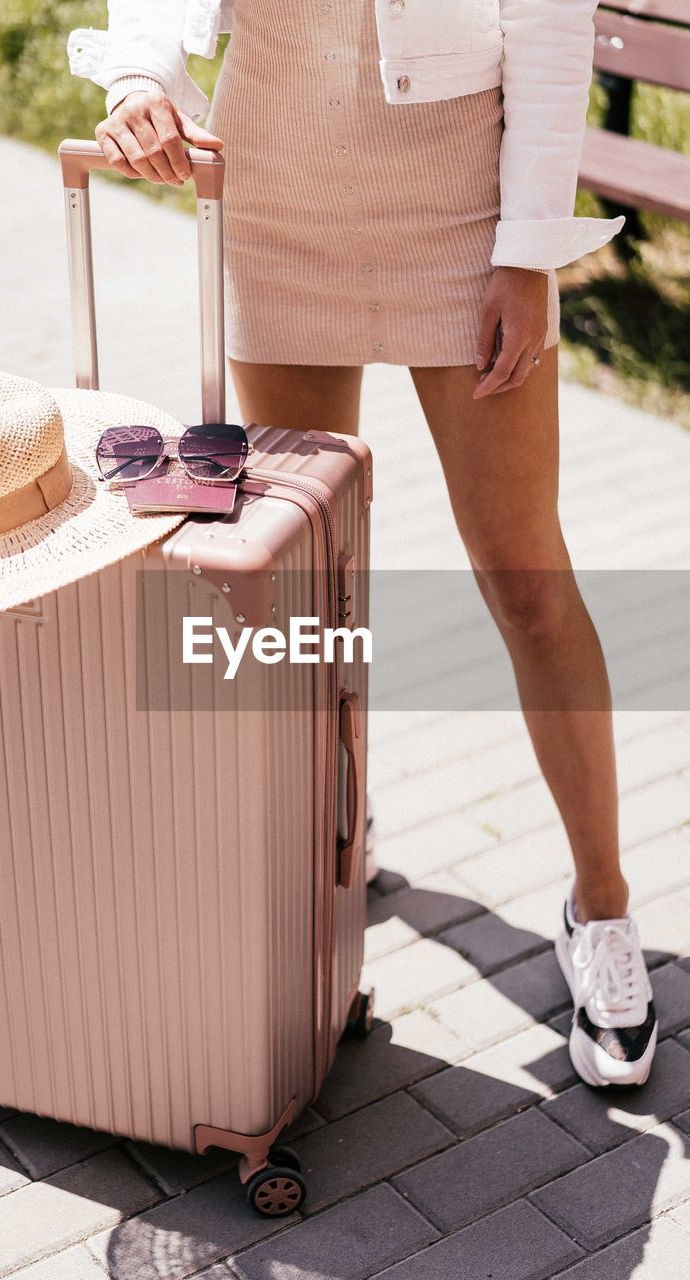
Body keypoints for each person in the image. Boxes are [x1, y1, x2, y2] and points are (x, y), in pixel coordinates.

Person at [67, 0, 657, 1087]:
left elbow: (545, 28)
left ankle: (603, 909)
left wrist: (527, 252)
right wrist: (138, 76)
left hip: (460, 209)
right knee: (305, 574)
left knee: (526, 578)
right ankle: (337, 833)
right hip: (277, 199)